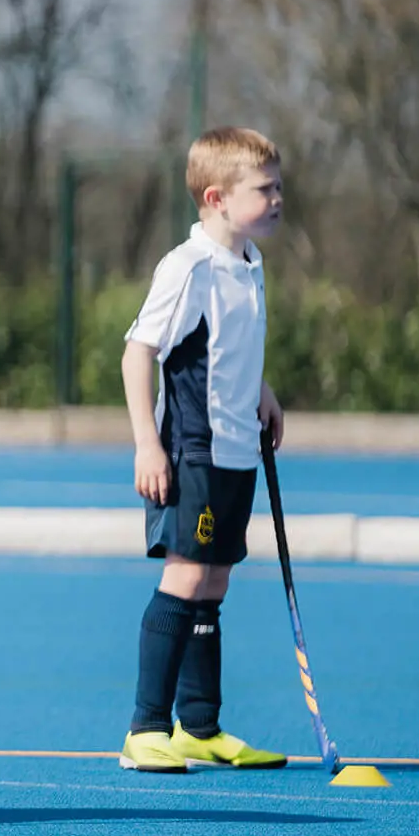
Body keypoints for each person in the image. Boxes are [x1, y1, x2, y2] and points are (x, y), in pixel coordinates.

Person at [120, 126, 287, 773]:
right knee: (185, 577)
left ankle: (200, 727)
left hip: (239, 449)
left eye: (278, 187)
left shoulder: (248, 263)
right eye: (264, 189)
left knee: (213, 584)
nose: (277, 199)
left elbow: (226, 347)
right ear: (216, 197)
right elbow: (141, 352)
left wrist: (262, 390)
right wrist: (146, 444)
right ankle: (146, 729)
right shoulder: (187, 268)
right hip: (192, 449)